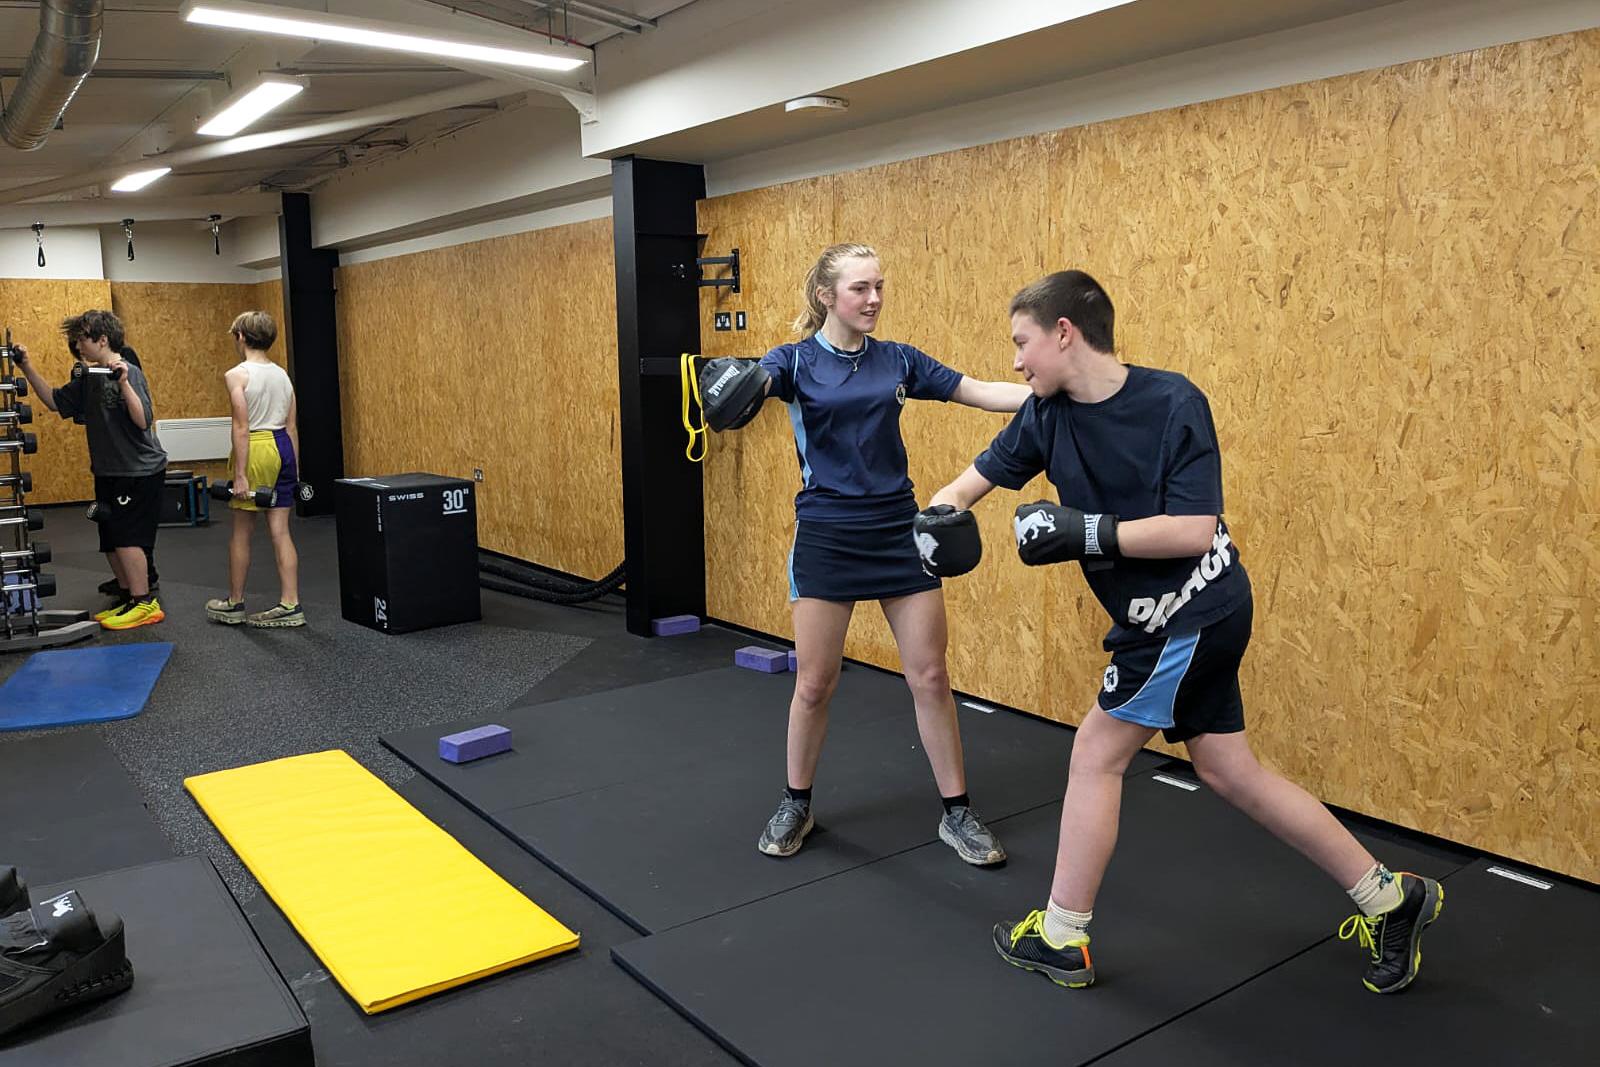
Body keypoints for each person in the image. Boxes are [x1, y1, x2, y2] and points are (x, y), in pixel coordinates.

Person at [923, 269, 1442, 992]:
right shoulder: (1048, 412)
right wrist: (939, 513)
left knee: (1096, 752)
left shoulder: (1172, 402)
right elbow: (976, 477)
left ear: (1065, 333)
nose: (1016, 362)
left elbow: (1196, 529)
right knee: (1230, 769)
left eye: (1022, 342)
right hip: (1165, 621)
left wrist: (1088, 532)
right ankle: (1391, 897)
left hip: (1192, 609)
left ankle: (1062, 934)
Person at [705, 242, 1032, 867]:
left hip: (896, 532)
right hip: (827, 534)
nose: (875, 298)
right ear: (828, 297)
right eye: (860, 289)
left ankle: (957, 813)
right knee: (814, 685)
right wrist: (738, 386)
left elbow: (979, 391)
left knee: (930, 676)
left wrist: (1055, 392)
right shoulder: (795, 362)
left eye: (879, 286)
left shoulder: (899, 360)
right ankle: (796, 802)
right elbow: (756, 382)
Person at [12, 310, 167, 630]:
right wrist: (25, 366)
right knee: (109, 538)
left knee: (127, 537)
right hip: (108, 470)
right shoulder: (86, 379)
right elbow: (55, 402)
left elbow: (143, 421)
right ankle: (128, 598)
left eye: (83, 338)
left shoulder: (129, 372)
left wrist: (124, 383)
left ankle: (144, 604)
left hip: (138, 470)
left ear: (103, 339)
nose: (78, 344)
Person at [205, 311, 303, 628]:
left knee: (242, 531)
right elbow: (291, 428)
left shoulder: (238, 375)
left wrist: (242, 474)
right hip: (282, 448)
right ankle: (291, 604)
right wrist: (295, 472)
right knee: (281, 531)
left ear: (242, 337)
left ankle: (234, 603)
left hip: (258, 447)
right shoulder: (283, 376)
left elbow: (242, 427)